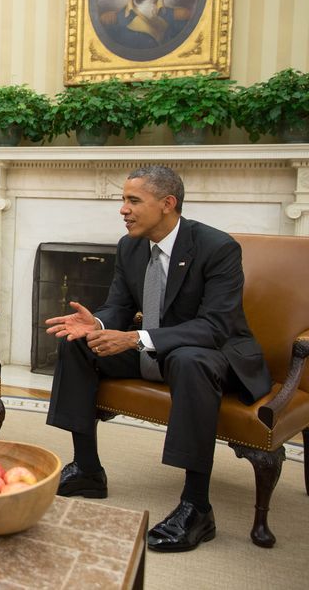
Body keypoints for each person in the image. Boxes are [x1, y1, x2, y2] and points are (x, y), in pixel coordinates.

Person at [44, 165, 272, 553]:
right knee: (77, 343)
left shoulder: (218, 248)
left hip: (213, 354)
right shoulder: (130, 245)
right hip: (155, 349)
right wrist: (96, 322)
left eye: (133, 200)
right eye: (123, 200)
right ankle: (87, 469)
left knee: (189, 360)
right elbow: (119, 305)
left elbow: (216, 327)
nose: (123, 210)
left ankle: (196, 507)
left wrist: (135, 337)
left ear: (168, 204)